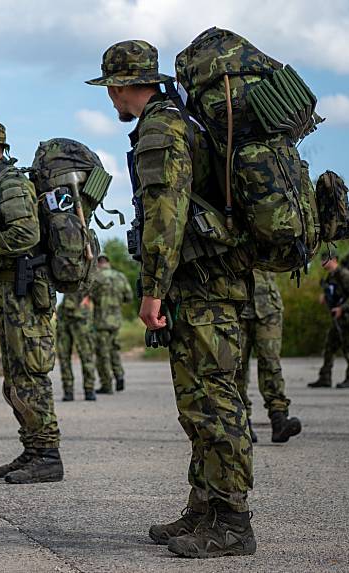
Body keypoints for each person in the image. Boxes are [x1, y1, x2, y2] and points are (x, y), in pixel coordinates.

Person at [87, 42, 255, 557]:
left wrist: (151, 290)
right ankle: (204, 508)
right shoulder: (176, 119)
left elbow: (166, 214)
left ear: (121, 84)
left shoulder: (161, 129)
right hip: (205, 285)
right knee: (197, 404)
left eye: (109, 89)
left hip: (203, 286)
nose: (110, 99)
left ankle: (233, 523)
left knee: (215, 404)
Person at [0, 120, 63, 484]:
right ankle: (34, 449)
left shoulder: (11, 184)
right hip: (7, 294)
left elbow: (26, 233)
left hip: (25, 294)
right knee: (15, 379)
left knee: (30, 376)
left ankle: (48, 455)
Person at [236, 270, 301, 443]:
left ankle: (279, 419)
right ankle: (241, 421)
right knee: (236, 366)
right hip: (236, 304)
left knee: (271, 362)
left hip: (268, 306)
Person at [309, 252, 349, 389]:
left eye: (324, 259)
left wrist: (342, 308)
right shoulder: (331, 276)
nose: (322, 261)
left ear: (333, 259)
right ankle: (325, 378)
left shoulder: (344, 274)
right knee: (329, 347)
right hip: (338, 319)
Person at [90, 254, 133, 394]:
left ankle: (106, 384)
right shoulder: (120, 276)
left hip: (101, 320)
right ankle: (119, 375)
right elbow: (129, 297)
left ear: (98, 263)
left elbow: (89, 295)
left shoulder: (96, 277)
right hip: (116, 320)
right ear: (108, 262)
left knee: (102, 352)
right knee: (114, 349)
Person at [56, 292, 97, 401]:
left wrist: (89, 295)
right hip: (63, 314)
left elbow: (97, 284)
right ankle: (68, 390)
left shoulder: (93, 274)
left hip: (81, 315)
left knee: (86, 354)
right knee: (63, 355)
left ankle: (89, 389)